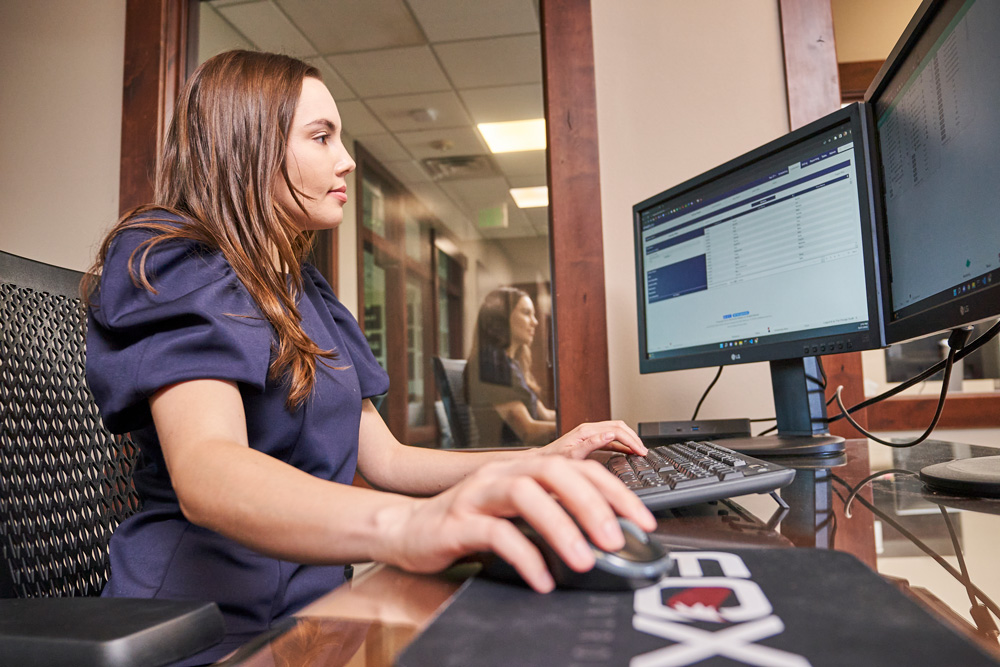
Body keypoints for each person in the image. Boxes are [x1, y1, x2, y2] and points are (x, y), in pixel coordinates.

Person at [83, 50, 653, 665]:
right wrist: (412, 527)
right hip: (202, 631)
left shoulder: (306, 291)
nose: (346, 159)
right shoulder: (174, 258)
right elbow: (207, 470)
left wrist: (537, 461)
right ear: (249, 148)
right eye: (320, 137)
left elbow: (387, 459)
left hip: (317, 618)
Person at [465, 287, 557, 446]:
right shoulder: (492, 365)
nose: (535, 322)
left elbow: (546, 415)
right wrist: (579, 429)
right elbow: (527, 432)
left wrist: (585, 421)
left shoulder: (509, 364)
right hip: (509, 456)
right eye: (526, 313)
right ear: (502, 319)